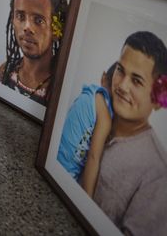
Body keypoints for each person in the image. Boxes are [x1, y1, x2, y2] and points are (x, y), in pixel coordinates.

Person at [92, 31, 167, 235]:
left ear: (158, 99)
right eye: (120, 70)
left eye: (136, 81)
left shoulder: (158, 175)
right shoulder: (92, 112)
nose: (122, 85)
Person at [0, 0, 68, 105]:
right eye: (20, 16)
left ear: (56, 32)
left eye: (38, 20)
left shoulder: (60, 89)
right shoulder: (5, 70)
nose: (27, 27)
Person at [57, 62, 116, 195]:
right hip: (66, 173)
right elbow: (93, 157)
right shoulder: (104, 114)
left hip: (54, 156)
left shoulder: (88, 94)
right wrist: (85, 202)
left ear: (103, 77)